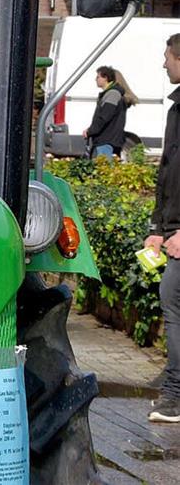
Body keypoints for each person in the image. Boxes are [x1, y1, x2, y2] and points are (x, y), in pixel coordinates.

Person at [145, 33, 180, 423]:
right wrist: (160, 226)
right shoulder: (176, 107)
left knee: (175, 305)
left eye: (167, 57)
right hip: (173, 229)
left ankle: (175, 395)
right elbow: (169, 172)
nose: (164, 64)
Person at [85, 65, 136, 159]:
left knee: (104, 170)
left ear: (106, 78)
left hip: (106, 140)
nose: (95, 79)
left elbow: (104, 117)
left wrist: (90, 131)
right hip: (109, 140)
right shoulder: (112, 94)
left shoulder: (112, 94)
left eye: (98, 77)